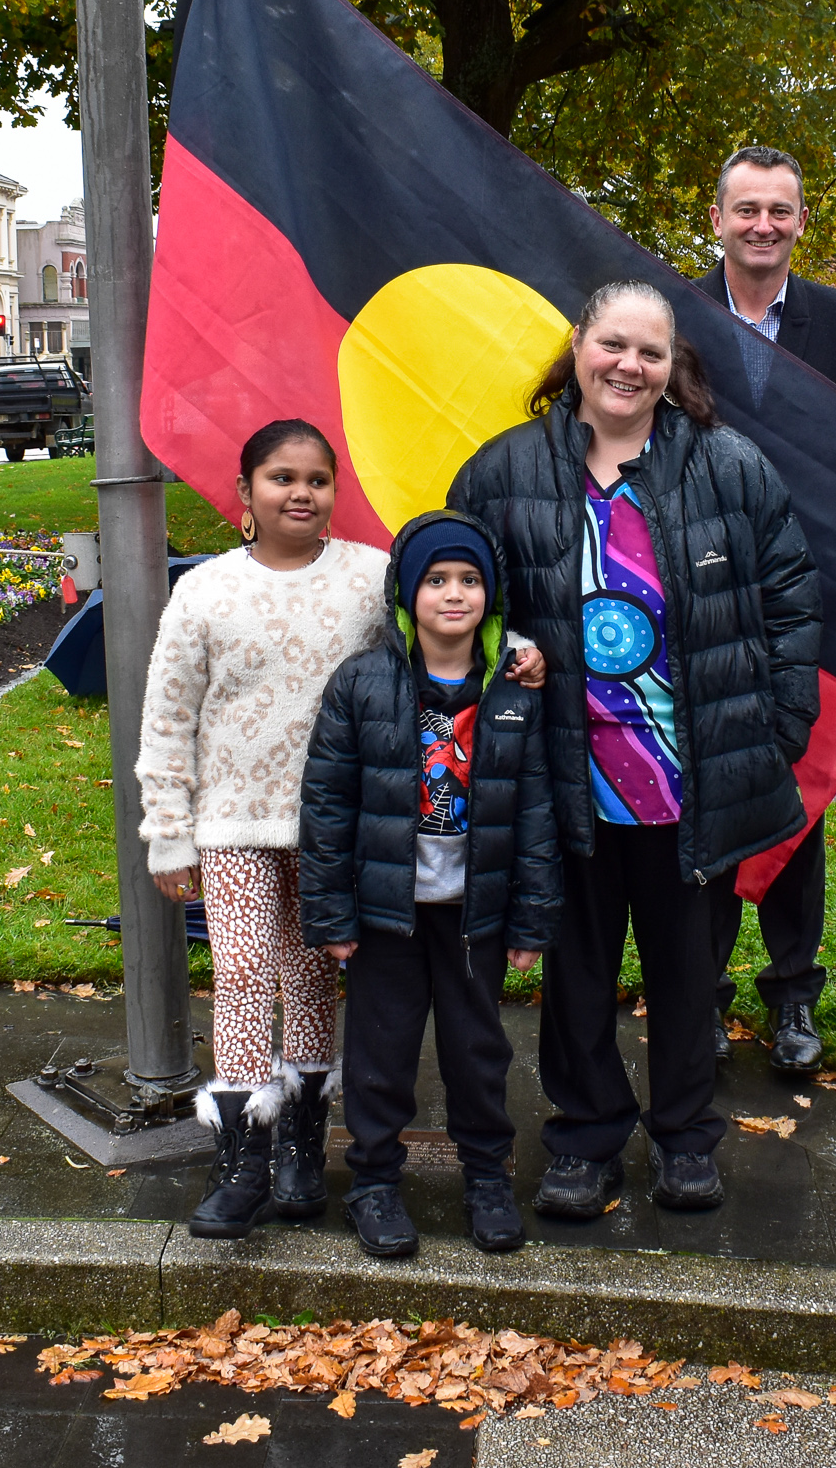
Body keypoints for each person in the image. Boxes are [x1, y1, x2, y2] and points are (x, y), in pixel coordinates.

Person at [449, 280, 821, 1219]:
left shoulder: (727, 467)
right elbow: (452, 605)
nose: (630, 366)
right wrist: (505, 662)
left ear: (672, 367)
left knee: (686, 973)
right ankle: (583, 1139)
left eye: (650, 353)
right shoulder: (504, 473)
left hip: (686, 780)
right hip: (562, 776)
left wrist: (773, 734)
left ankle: (688, 1138)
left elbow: (791, 603)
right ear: (579, 347)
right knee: (576, 973)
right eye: (614, 344)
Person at [135, 420, 388, 1238]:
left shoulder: (369, 580)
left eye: (317, 479)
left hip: (330, 825)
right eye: (282, 478)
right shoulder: (204, 592)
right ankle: (241, 1157)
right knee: (244, 973)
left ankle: (303, 1148)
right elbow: (168, 719)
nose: (301, 493)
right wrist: (169, 833)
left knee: (313, 976)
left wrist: (518, 649)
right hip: (234, 821)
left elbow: (448, 627)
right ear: (245, 493)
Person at [299, 511, 559, 1260]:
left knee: (479, 1053)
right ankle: (374, 1183)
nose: (454, 594)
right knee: (381, 1051)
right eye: (437, 580)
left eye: (470, 580)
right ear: (406, 594)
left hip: (475, 914)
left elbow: (535, 809)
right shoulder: (363, 684)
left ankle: (486, 1179)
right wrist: (332, 913)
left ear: (491, 593)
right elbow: (326, 806)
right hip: (388, 914)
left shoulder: (513, 689)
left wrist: (531, 921)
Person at [693, 145, 836, 1074]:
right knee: (695, 800)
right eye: (747, 210)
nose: (763, 225)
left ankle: (794, 998)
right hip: (692, 601)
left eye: (780, 210)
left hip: (805, 605)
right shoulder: (675, 316)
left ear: (800, 222)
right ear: (719, 218)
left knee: (795, 801)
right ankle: (698, 994)